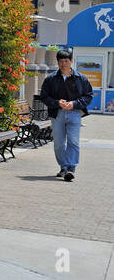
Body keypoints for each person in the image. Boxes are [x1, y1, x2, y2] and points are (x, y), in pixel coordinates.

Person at [40, 49, 93, 181]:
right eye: (60, 61)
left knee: (73, 142)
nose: (63, 64)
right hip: (57, 114)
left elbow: (88, 96)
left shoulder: (81, 78)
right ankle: (63, 167)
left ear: (71, 61)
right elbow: (44, 97)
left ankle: (71, 168)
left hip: (74, 113)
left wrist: (74, 104)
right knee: (58, 143)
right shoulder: (51, 79)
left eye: (66, 61)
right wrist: (57, 103)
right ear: (57, 62)